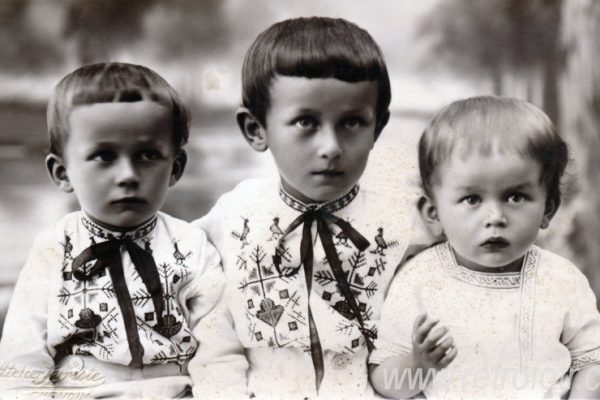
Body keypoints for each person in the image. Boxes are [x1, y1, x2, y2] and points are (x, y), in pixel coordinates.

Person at [189, 17, 432, 399]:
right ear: (256, 129)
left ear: (377, 129)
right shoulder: (231, 221)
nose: (331, 147)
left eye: (352, 123)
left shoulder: (407, 226)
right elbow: (214, 345)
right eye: (306, 122)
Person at [0, 62, 224, 399]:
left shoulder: (191, 246)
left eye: (148, 155)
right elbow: (22, 358)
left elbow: (220, 351)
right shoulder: (53, 248)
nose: (128, 175)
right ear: (63, 172)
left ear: (175, 167)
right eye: (104, 156)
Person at [370, 96, 600, 399]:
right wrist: (419, 364)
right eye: (472, 199)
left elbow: (592, 361)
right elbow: (384, 383)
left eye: (515, 197)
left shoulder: (561, 280)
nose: (495, 218)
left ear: (548, 209)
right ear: (433, 211)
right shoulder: (419, 281)